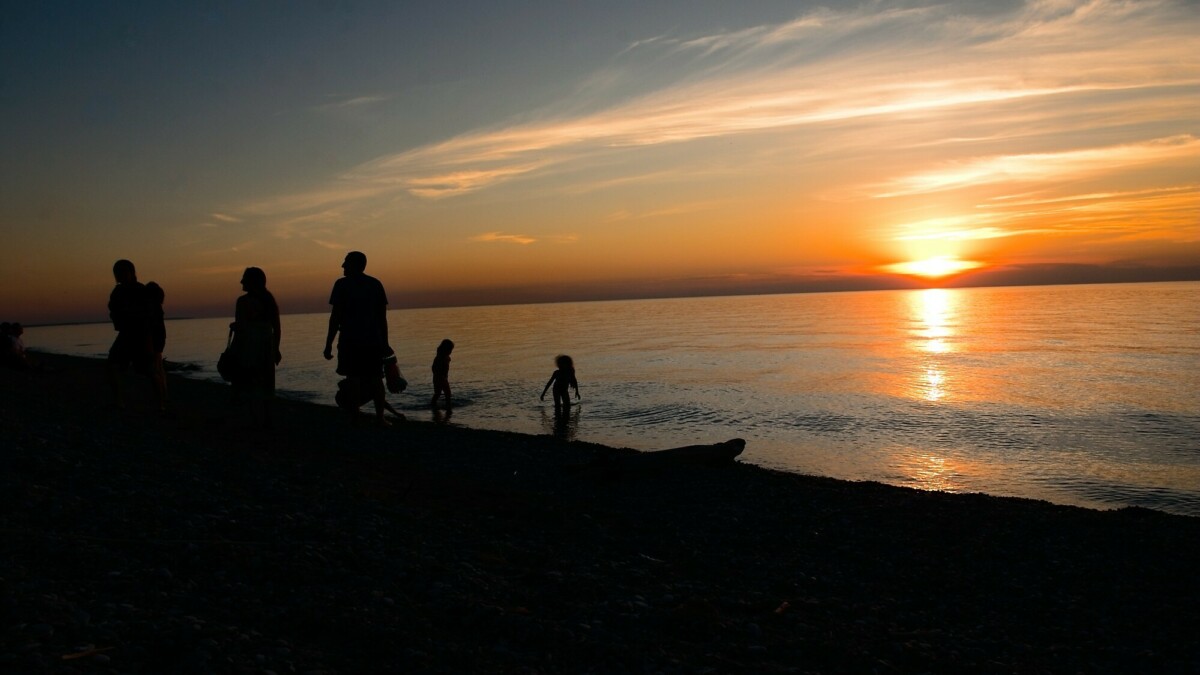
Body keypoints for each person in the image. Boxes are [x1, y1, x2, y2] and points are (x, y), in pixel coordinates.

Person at [323, 251, 392, 425]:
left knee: (354, 378)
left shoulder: (341, 285)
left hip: (350, 340)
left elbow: (335, 317)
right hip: (372, 340)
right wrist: (385, 342)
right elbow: (382, 319)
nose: (342, 266)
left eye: (346, 262)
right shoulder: (375, 284)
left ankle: (356, 417)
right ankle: (379, 418)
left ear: (355, 265)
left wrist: (328, 344)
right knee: (375, 378)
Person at [107, 260, 166, 412]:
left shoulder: (142, 291)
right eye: (117, 273)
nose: (119, 276)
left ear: (131, 273)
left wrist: (156, 344)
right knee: (113, 365)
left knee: (150, 371)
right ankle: (119, 402)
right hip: (126, 335)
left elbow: (154, 318)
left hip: (142, 336)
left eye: (122, 272)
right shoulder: (117, 292)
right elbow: (115, 312)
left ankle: (161, 405)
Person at [231, 267, 282, 429]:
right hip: (266, 345)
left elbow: (241, 328)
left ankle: (254, 420)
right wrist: (276, 348)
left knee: (248, 382)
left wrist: (234, 349)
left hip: (248, 346)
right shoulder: (268, 299)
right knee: (266, 385)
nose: (241, 282)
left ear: (252, 282)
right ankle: (266, 419)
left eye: (244, 279)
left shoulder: (243, 302)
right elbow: (277, 327)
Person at [144, 282, 169, 407]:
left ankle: (161, 401)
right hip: (159, 340)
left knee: (154, 371)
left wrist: (149, 344)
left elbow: (150, 328)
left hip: (154, 341)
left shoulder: (151, 307)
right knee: (159, 370)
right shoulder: (158, 307)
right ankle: (163, 398)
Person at [430, 338, 454, 409]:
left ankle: (434, 404)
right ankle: (448, 405)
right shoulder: (439, 358)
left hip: (441, 378)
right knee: (447, 393)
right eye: (450, 350)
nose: (451, 352)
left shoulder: (445, 357)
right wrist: (440, 376)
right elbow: (434, 368)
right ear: (445, 349)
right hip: (440, 378)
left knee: (438, 393)